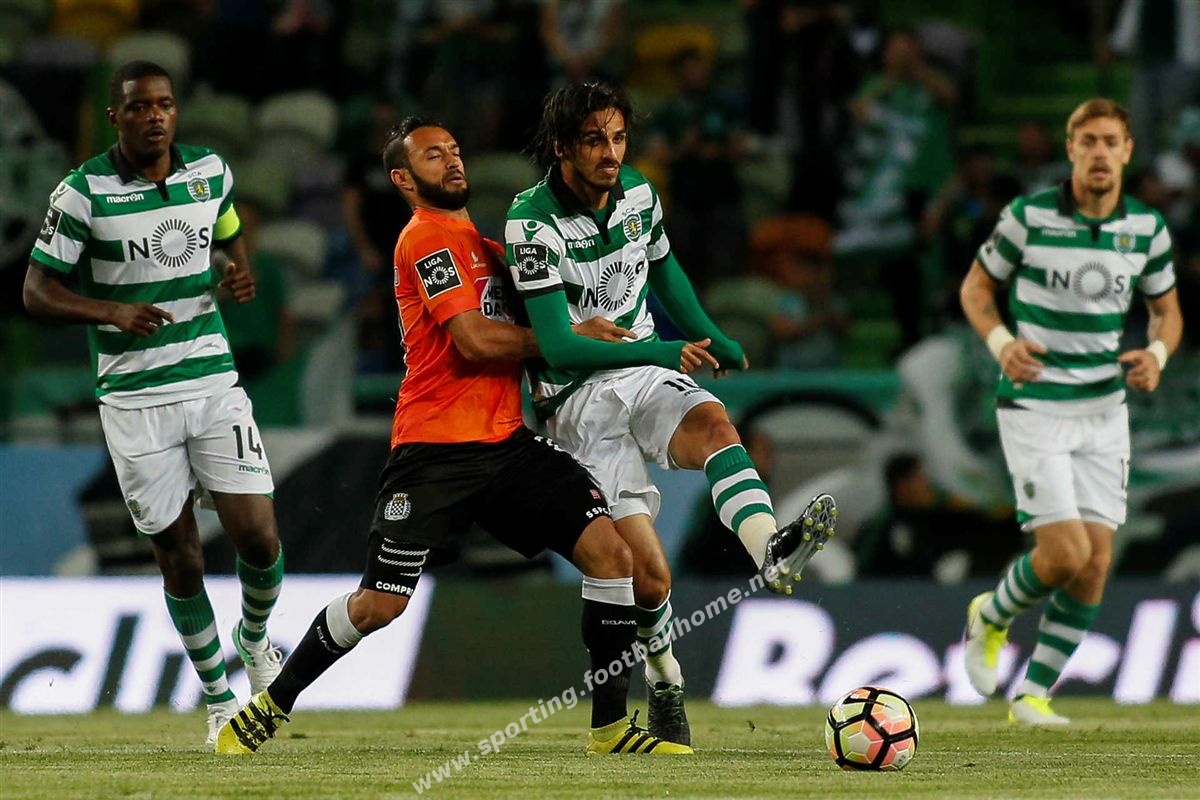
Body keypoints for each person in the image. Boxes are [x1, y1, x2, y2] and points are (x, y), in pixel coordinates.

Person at [215, 117, 704, 756]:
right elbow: (473, 341)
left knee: (613, 557)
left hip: (506, 446)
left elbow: (553, 325)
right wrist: (562, 338)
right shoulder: (425, 238)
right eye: (431, 155)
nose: (451, 161)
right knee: (379, 605)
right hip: (435, 451)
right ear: (402, 179)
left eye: (453, 150)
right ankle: (269, 705)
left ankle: (610, 729)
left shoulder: (492, 247)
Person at [506, 81, 838, 747]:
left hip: (643, 373)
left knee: (717, 427)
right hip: (576, 400)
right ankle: (665, 678)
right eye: (594, 140)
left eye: (618, 138)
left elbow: (665, 272)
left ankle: (770, 552)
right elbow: (559, 345)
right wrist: (663, 347)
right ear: (563, 146)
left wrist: (712, 334)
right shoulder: (531, 223)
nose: (610, 153)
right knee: (647, 576)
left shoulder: (638, 194)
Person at [22, 61, 286, 745]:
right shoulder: (82, 193)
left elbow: (226, 231)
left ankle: (255, 637)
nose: (154, 116)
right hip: (134, 398)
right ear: (116, 116)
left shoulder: (210, 172)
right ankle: (219, 698)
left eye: (164, 104)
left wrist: (233, 267)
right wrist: (109, 309)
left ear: (176, 110)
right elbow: (36, 291)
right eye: (139, 107)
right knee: (181, 556)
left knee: (259, 535)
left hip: (211, 380)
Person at [959, 98, 1183, 725]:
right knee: (1063, 556)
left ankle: (1032, 695)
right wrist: (1002, 344)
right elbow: (976, 288)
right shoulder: (1027, 218)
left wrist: (1157, 355)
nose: (1100, 153)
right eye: (1088, 141)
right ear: (1071, 150)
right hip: (1035, 404)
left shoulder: (1147, 229)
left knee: (1097, 562)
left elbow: (1168, 312)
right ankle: (990, 615)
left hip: (1104, 410)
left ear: (1128, 151)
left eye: (1111, 141)